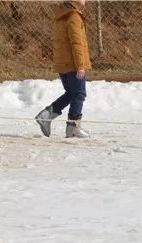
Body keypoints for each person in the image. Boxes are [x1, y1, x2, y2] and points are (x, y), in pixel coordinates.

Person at [35, 0, 91, 139]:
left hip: (63, 63)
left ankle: (46, 115)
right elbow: (76, 43)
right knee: (79, 94)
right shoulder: (74, 17)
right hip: (72, 64)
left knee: (71, 93)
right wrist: (80, 65)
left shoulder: (61, 15)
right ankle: (73, 128)